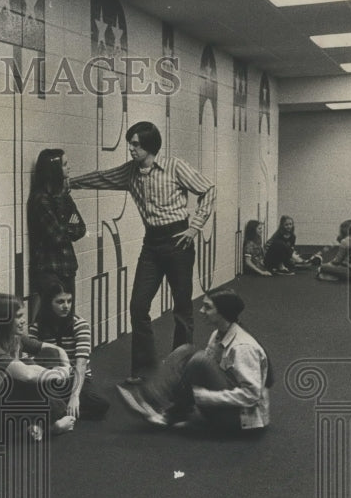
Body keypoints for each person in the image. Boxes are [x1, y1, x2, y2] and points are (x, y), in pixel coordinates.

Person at [69, 121, 216, 383]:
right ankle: (145, 369)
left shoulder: (174, 166)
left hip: (178, 240)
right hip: (152, 244)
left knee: (182, 309)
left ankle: (179, 369)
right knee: (138, 306)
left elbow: (208, 189)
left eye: (136, 144)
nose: (131, 149)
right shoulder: (130, 172)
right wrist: (71, 183)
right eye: (130, 143)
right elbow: (103, 177)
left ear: (149, 145)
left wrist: (194, 228)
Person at [117, 287, 272, 434]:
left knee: (199, 360)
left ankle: (166, 411)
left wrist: (205, 397)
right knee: (186, 350)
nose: (201, 310)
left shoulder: (242, 347)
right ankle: (154, 402)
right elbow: (203, 373)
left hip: (244, 423)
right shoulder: (217, 334)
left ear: (222, 312)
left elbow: (252, 395)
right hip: (227, 408)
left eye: (207, 307)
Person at [0, 293, 75, 441]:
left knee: (44, 359)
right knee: (25, 375)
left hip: (5, 405)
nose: (23, 321)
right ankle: (54, 424)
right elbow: (27, 375)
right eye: (18, 316)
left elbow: (54, 350)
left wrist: (65, 364)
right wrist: (60, 374)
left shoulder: (12, 337)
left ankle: (40, 421)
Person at [28, 280, 110, 420]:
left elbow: (81, 364)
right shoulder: (37, 327)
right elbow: (29, 361)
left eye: (69, 301)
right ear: (49, 303)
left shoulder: (80, 324)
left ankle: (61, 411)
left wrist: (75, 397)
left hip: (75, 379)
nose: (66, 306)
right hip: (50, 378)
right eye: (60, 302)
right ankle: (62, 411)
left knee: (101, 404)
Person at [26, 148, 86, 317]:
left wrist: (65, 226)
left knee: (67, 320)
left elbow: (81, 228)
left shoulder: (63, 196)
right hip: (49, 270)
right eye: (65, 164)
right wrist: (69, 225)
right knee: (50, 323)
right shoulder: (40, 199)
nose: (69, 168)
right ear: (53, 169)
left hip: (67, 267)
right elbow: (56, 236)